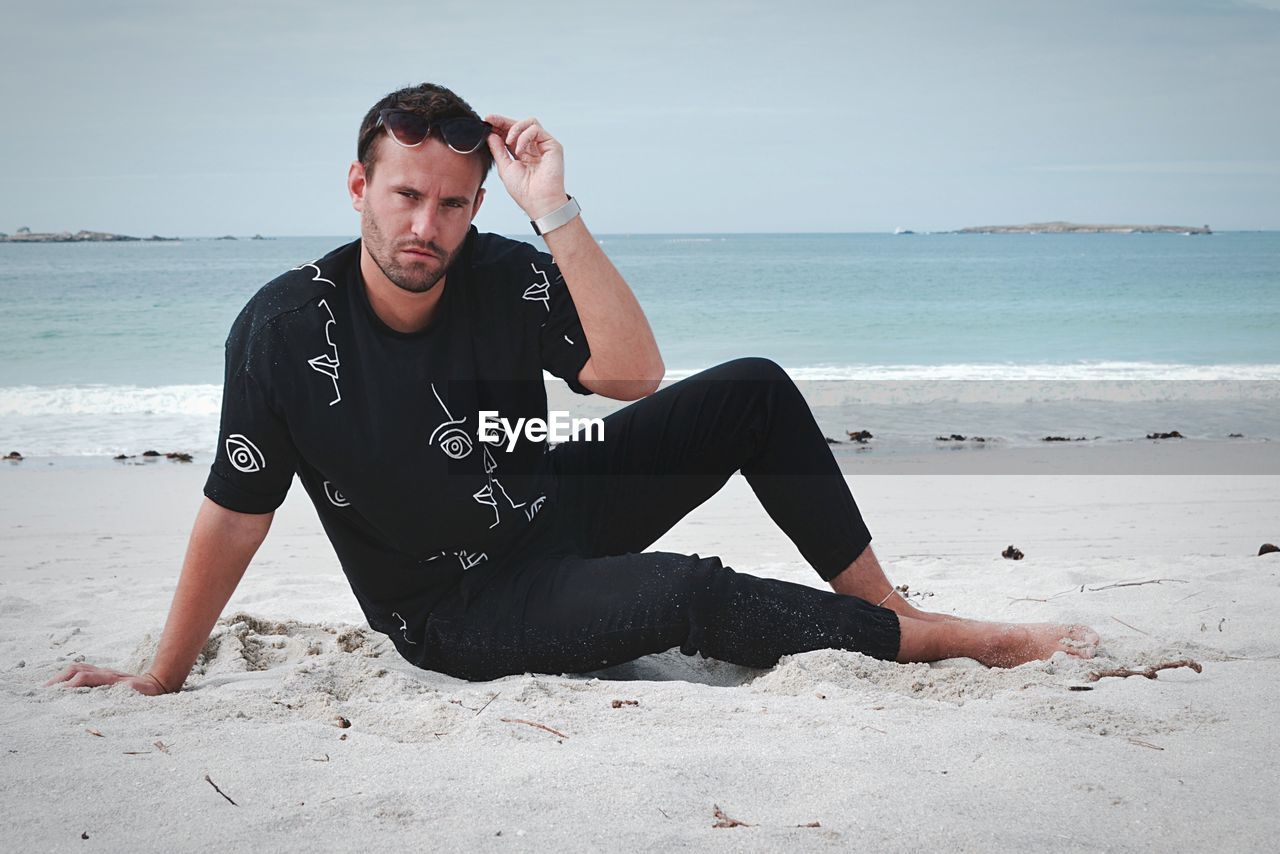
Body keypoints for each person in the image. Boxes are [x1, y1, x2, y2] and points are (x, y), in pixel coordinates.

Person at [46, 83, 1098, 695]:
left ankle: (882, 612)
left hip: (557, 498)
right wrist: (159, 677)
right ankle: (968, 640)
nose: (428, 226)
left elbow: (631, 371)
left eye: (453, 205)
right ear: (360, 187)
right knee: (686, 590)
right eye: (407, 195)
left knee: (753, 389)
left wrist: (551, 208)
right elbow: (234, 517)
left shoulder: (503, 270)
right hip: (459, 605)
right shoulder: (283, 331)